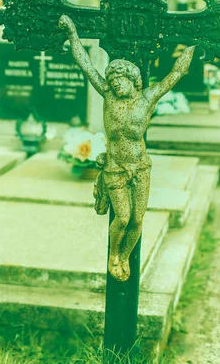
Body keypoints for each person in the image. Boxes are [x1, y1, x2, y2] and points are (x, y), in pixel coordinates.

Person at [59, 14, 195, 282]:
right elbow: (86, 65)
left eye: (122, 79)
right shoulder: (108, 96)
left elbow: (175, 74)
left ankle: (125, 257)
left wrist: (194, 44)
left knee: (137, 220)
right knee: (122, 217)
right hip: (115, 167)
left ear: (134, 81)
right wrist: (72, 34)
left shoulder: (147, 99)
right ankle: (113, 255)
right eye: (113, 78)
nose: (116, 83)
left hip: (141, 166)